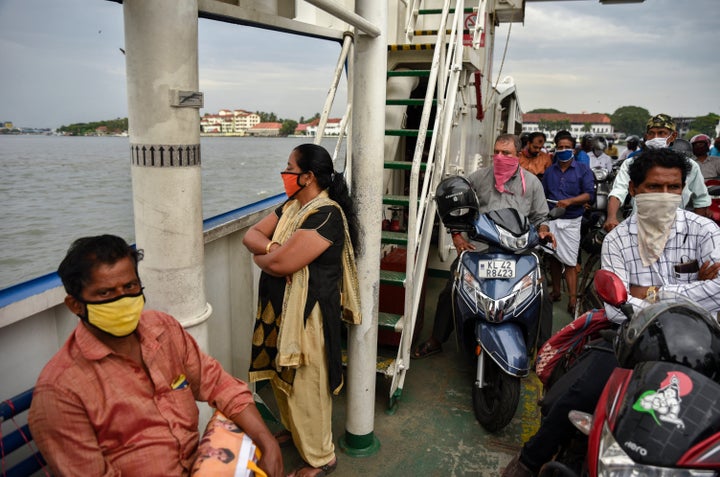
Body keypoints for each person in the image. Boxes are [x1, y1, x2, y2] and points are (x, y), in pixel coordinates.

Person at [502, 147, 720, 477]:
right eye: (654, 187)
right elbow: (617, 308)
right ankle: (529, 461)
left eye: (673, 188)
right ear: (634, 190)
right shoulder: (618, 239)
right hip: (631, 338)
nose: (665, 195)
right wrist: (688, 292)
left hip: (702, 343)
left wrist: (649, 293)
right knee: (578, 395)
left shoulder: (705, 232)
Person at [28, 235, 284, 477]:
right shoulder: (61, 390)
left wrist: (267, 441)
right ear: (75, 305)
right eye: (106, 293)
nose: (123, 299)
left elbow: (219, 384)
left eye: (130, 286)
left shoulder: (163, 330)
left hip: (200, 463)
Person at [243, 143, 361, 477]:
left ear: (307, 176)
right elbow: (251, 237)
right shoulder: (292, 206)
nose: (285, 173)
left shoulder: (326, 215)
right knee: (284, 381)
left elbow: (280, 264)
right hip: (280, 311)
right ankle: (296, 435)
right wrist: (270, 249)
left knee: (308, 387)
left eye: (289, 168)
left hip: (308, 316)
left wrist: (266, 256)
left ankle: (323, 459)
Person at [412, 133, 555, 359]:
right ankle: (437, 338)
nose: (499, 157)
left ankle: (543, 349)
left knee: (541, 295)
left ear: (518, 155)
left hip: (518, 252)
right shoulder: (478, 178)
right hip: (479, 248)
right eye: (496, 152)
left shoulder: (533, 183)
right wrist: (457, 236)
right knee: (452, 288)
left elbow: (540, 217)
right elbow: (454, 203)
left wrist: (544, 231)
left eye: (506, 153)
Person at [603, 113, 710, 232]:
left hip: (677, 228)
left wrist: (696, 230)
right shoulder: (631, 163)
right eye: (651, 133)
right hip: (640, 226)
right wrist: (611, 217)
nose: (655, 137)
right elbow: (618, 191)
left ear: (673, 136)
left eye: (661, 133)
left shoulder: (689, 166)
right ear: (646, 136)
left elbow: (701, 199)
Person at [542, 134, 595, 314]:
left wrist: (570, 201)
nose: (563, 150)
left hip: (572, 220)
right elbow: (543, 195)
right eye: (560, 147)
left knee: (571, 261)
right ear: (556, 148)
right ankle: (556, 292)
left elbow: (589, 194)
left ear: (573, 149)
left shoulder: (583, 170)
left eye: (567, 147)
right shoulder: (550, 171)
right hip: (553, 219)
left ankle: (573, 299)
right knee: (554, 257)